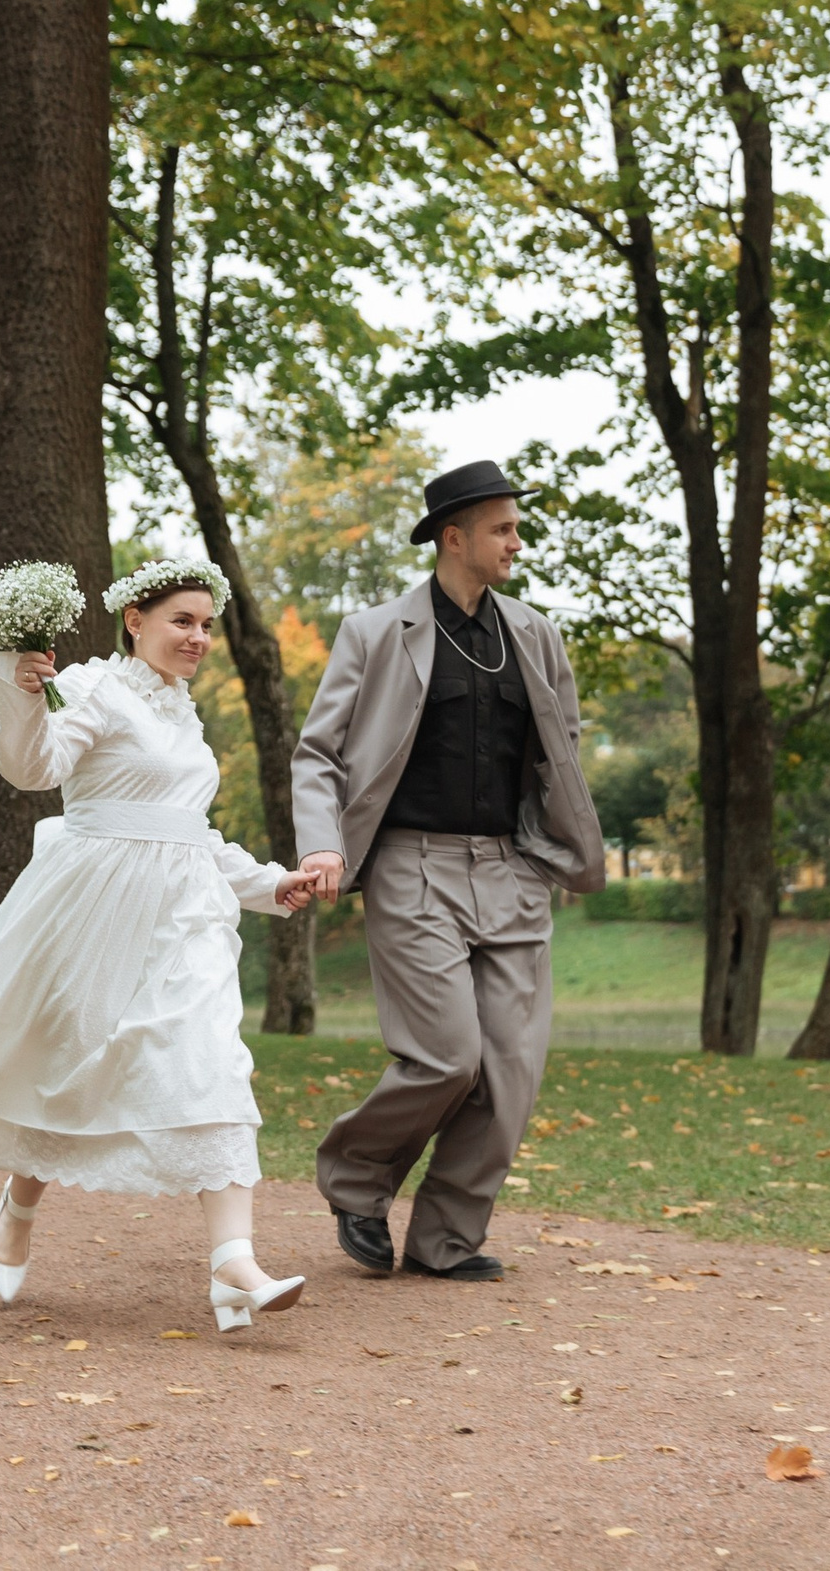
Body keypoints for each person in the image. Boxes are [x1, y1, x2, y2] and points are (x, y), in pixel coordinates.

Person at [0, 557, 323, 1331]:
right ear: (135, 620)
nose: (199, 637)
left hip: (184, 919)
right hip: (94, 910)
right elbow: (34, 767)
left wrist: (271, 884)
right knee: (66, 1070)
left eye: (206, 624)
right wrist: (19, 679)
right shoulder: (97, 686)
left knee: (213, 1063)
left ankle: (234, 1265)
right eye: (182, 621)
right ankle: (18, 1207)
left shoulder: (182, 711)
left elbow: (189, 831)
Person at [292, 460, 606, 1280]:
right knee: (446, 1054)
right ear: (453, 536)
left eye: (515, 525)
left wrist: (555, 852)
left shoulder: (535, 633)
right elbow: (319, 752)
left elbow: (560, 754)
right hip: (411, 863)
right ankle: (357, 1177)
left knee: (510, 1068)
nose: (516, 540)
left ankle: (445, 1239)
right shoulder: (373, 632)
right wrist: (321, 843)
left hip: (510, 868)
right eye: (502, 527)